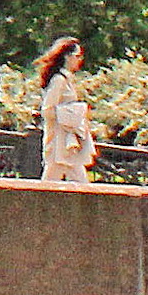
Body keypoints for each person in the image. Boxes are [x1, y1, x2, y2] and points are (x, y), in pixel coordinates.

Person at [35, 38, 96, 186]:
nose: (80, 60)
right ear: (67, 57)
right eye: (77, 56)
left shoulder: (66, 79)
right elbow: (47, 110)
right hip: (58, 143)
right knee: (50, 183)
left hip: (67, 142)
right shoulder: (59, 80)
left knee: (80, 182)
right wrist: (72, 115)